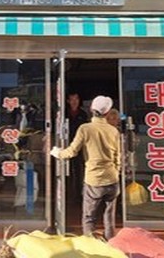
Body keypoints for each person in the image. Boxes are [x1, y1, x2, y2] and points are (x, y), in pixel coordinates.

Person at [51, 95, 121, 240]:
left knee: (89, 216)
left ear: (91, 110)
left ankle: (90, 244)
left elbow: (72, 151)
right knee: (109, 216)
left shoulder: (85, 129)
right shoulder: (113, 131)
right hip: (112, 178)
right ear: (107, 113)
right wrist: (116, 171)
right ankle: (110, 243)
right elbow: (117, 156)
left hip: (93, 179)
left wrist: (58, 153)